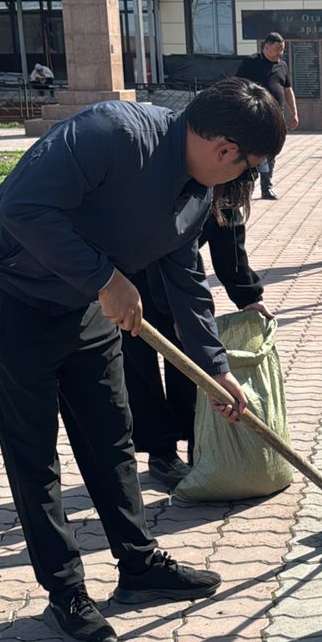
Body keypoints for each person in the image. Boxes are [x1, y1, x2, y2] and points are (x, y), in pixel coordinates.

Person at [0, 78, 285, 642]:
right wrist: (106, 280)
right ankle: (65, 592)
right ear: (225, 150)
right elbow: (23, 210)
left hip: (85, 296)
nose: (245, 181)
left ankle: (138, 565)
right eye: (250, 168)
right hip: (12, 289)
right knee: (33, 447)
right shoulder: (111, 134)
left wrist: (214, 371)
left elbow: (186, 282)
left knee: (111, 433)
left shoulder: (193, 193)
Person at [121, 208, 271, 490]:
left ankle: (196, 442)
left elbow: (228, 236)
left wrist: (248, 295)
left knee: (192, 365)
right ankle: (161, 451)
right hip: (131, 279)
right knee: (139, 368)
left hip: (181, 278)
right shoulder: (171, 178)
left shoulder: (227, 182)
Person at [237, 33, 299, 199]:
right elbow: (238, 86)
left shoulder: (282, 66)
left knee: (271, 151)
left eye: (282, 50)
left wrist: (294, 113)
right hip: (255, 116)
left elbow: (288, 89)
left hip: (276, 117)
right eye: (277, 49)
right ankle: (246, 188)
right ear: (265, 47)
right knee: (250, 150)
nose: (280, 53)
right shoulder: (250, 63)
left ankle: (267, 187)